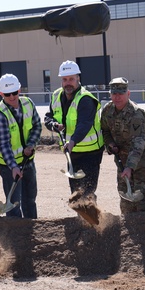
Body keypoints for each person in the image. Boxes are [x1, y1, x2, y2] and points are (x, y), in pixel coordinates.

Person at [43, 60, 104, 201]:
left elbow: (84, 124)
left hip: (90, 152)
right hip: (72, 152)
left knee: (87, 190)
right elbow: (48, 117)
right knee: (76, 191)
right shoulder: (56, 95)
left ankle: (94, 220)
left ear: (78, 78)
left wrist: (72, 141)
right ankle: (82, 220)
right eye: (65, 79)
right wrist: (53, 125)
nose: (68, 83)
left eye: (71, 79)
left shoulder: (85, 99)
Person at [99, 76, 145, 214]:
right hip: (122, 163)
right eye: (114, 94)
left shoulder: (136, 114)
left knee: (144, 208)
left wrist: (130, 167)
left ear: (128, 93)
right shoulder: (108, 111)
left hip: (143, 166)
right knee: (126, 207)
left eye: (121, 94)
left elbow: (138, 143)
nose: (117, 97)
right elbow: (105, 131)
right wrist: (111, 144)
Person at [0, 73, 42, 218]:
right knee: (13, 204)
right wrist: (13, 167)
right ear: (1, 93)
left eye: (14, 93)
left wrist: (31, 145)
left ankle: (31, 230)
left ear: (19, 90)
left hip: (27, 160)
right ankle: (15, 237)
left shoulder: (28, 103)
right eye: (7, 94)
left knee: (30, 199)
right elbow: (4, 144)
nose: (12, 97)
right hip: (8, 166)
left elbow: (37, 126)